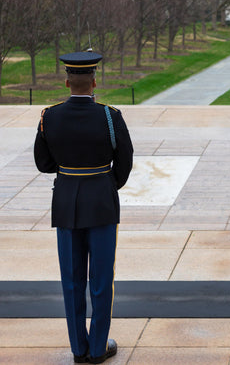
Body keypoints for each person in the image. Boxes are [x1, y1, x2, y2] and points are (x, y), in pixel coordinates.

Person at [34, 51, 133, 364]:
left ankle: (79, 348)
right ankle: (98, 347)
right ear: (94, 81)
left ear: (66, 82)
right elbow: (125, 161)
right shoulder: (109, 115)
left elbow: (43, 162)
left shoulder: (49, 116)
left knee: (72, 280)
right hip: (101, 203)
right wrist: (106, 184)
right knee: (101, 280)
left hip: (65, 203)